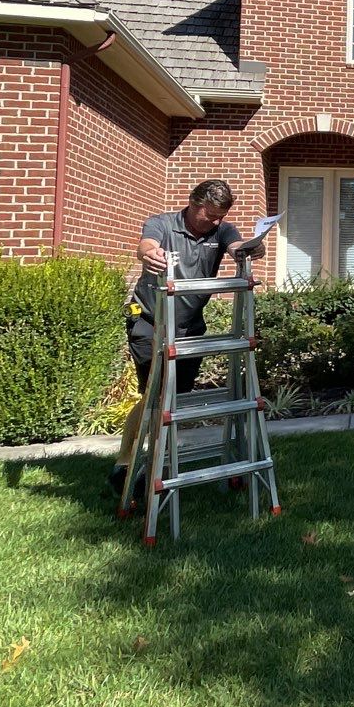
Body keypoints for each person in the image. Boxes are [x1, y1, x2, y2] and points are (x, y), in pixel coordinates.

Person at [109, 179, 264, 499]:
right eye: (211, 215)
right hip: (149, 321)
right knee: (155, 396)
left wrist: (251, 249)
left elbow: (236, 247)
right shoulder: (162, 224)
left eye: (222, 215)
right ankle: (130, 466)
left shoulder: (222, 231)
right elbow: (146, 245)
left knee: (173, 399)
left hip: (190, 327)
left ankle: (147, 461)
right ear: (194, 205)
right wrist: (150, 255)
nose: (217, 222)